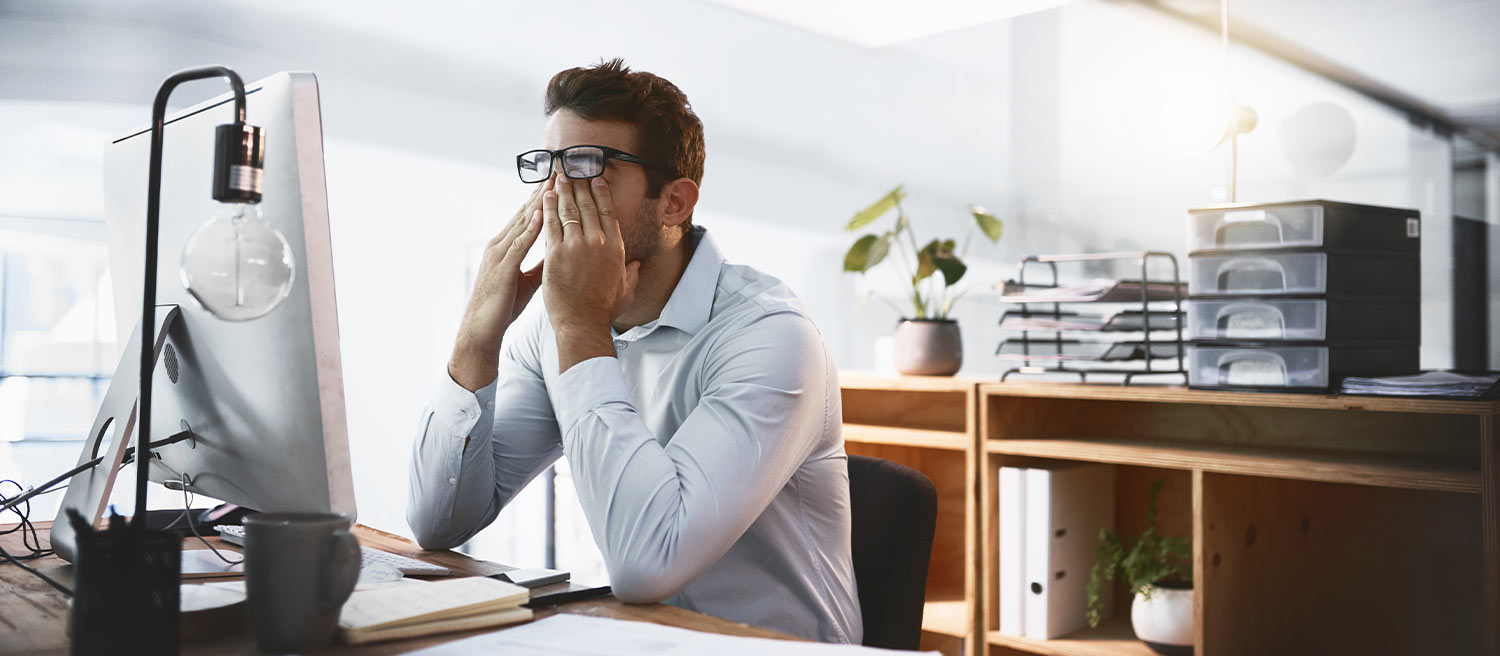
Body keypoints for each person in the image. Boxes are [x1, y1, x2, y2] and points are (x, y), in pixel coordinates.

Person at [406, 58, 862, 644]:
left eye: (587, 166)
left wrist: (580, 329)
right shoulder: (556, 324)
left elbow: (648, 563)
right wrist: (476, 337)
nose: (555, 195)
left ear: (674, 203)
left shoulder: (770, 334)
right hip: (636, 638)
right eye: (547, 166)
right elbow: (439, 522)